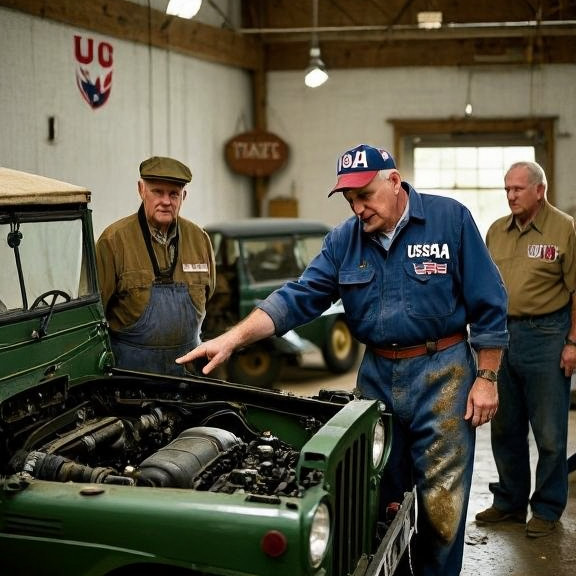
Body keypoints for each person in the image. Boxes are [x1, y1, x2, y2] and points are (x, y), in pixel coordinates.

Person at [176, 144, 509, 576]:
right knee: (373, 494)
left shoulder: (450, 220)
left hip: (442, 373)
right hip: (376, 378)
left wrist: (487, 377)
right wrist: (232, 339)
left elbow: (489, 304)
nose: (358, 208)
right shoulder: (344, 241)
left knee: (440, 505)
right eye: (350, 199)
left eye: (365, 195)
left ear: (394, 181)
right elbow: (297, 297)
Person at [476, 161, 576, 537]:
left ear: (540, 190)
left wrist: (573, 342)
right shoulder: (496, 232)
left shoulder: (564, 228)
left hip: (547, 335)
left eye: (518, 189)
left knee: (550, 433)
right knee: (505, 427)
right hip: (501, 336)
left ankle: (547, 509)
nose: (511, 196)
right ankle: (510, 503)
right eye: (506, 189)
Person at [96, 155, 215, 376]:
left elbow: (211, 297)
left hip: (188, 374)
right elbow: (94, 318)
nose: (166, 201)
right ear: (141, 190)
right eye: (157, 192)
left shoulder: (200, 239)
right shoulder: (113, 241)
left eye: (174, 194)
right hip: (131, 377)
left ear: (184, 197)